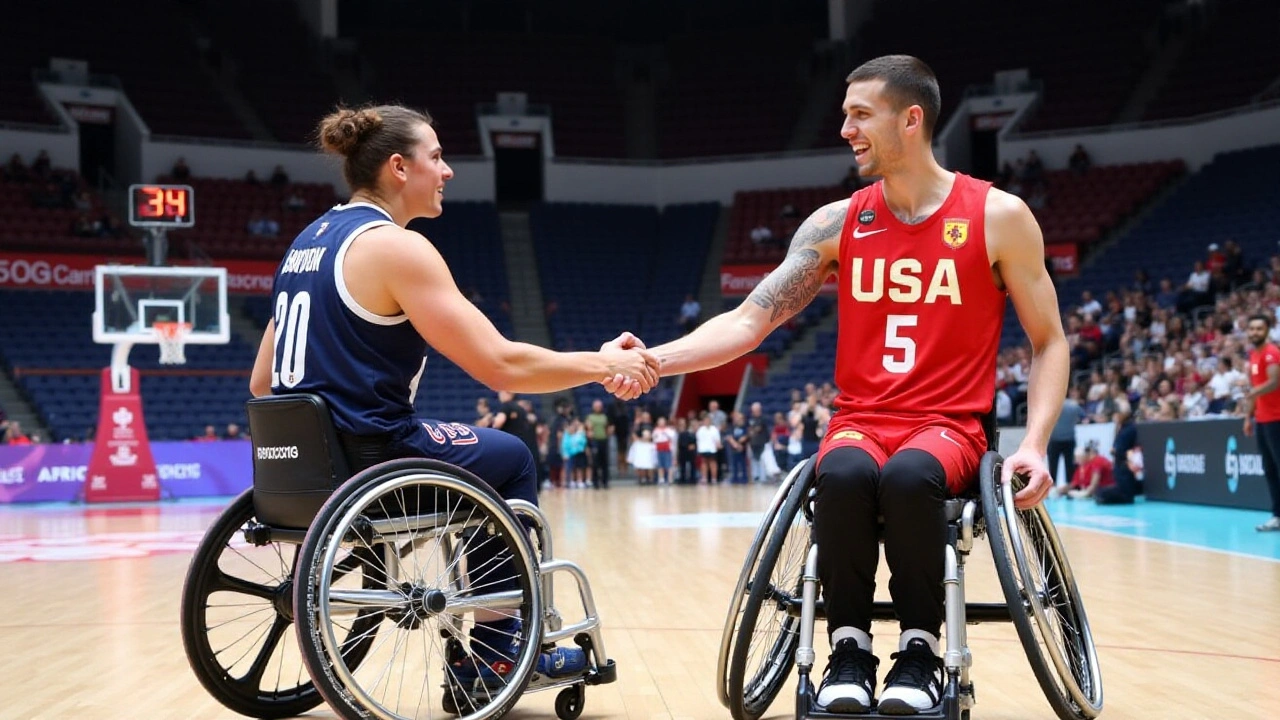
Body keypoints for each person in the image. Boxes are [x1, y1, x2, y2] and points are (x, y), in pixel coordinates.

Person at [637, 56, 1066, 713]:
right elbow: (751, 320)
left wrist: (1034, 443)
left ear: (911, 119)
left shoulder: (996, 216)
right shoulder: (837, 224)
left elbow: (1049, 342)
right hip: (862, 420)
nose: (845, 129)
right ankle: (847, 648)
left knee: (908, 478)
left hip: (948, 426)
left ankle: (920, 651)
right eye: (844, 115)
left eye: (860, 114)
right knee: (837, 476)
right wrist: (654, 362)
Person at [248, 104, 659, 683]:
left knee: (473, 456)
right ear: (398, 167)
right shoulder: (395, 248)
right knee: (510, 458)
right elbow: (501, 366)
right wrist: (601, 364)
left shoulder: (305, 244)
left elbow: (262, 384)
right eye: (436, 157)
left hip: (294, 471)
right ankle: (498, 652)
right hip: (373, 458)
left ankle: (491, 637)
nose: (447, 171)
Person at [1242, 314, 1280, 531]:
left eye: (1259, 328)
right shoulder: (1253, 356)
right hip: (1263, 421)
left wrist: (1253, 391)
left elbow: (1274, 382)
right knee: (1270, 469)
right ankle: (1277, 516)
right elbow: (1254, 393)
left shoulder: (1272, 353)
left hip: (1277, 420)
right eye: (1252, 328)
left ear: (1267, 330)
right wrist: (1248, 417)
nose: (1255, 332)